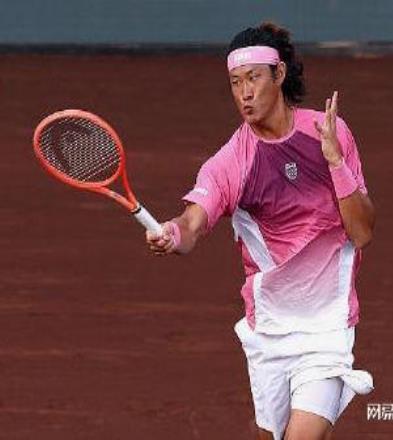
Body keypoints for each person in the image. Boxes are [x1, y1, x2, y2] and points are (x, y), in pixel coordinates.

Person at [147, 22, 375, 440]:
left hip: (327, 327)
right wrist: (172, 234)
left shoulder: (329, 133)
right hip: (268, 333)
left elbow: (361, 233)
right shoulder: (232, 162)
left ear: (279, 74)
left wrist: (336, 163)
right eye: (235, 83)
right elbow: (192, 223)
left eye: (253, 78)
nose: (244, 93)